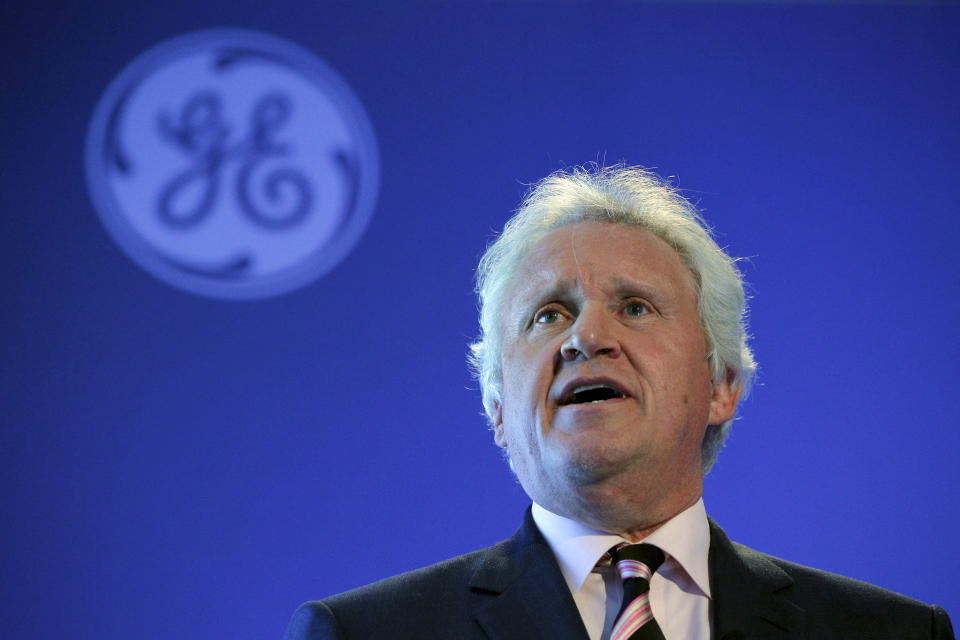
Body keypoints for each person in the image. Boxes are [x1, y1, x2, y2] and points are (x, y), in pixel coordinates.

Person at [284, 165, 955, 639]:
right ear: (495, 407)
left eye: (634, 307)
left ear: (722, 383)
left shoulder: (890, 632)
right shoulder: (363, 633)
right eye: (547, 315)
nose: (586, 337)